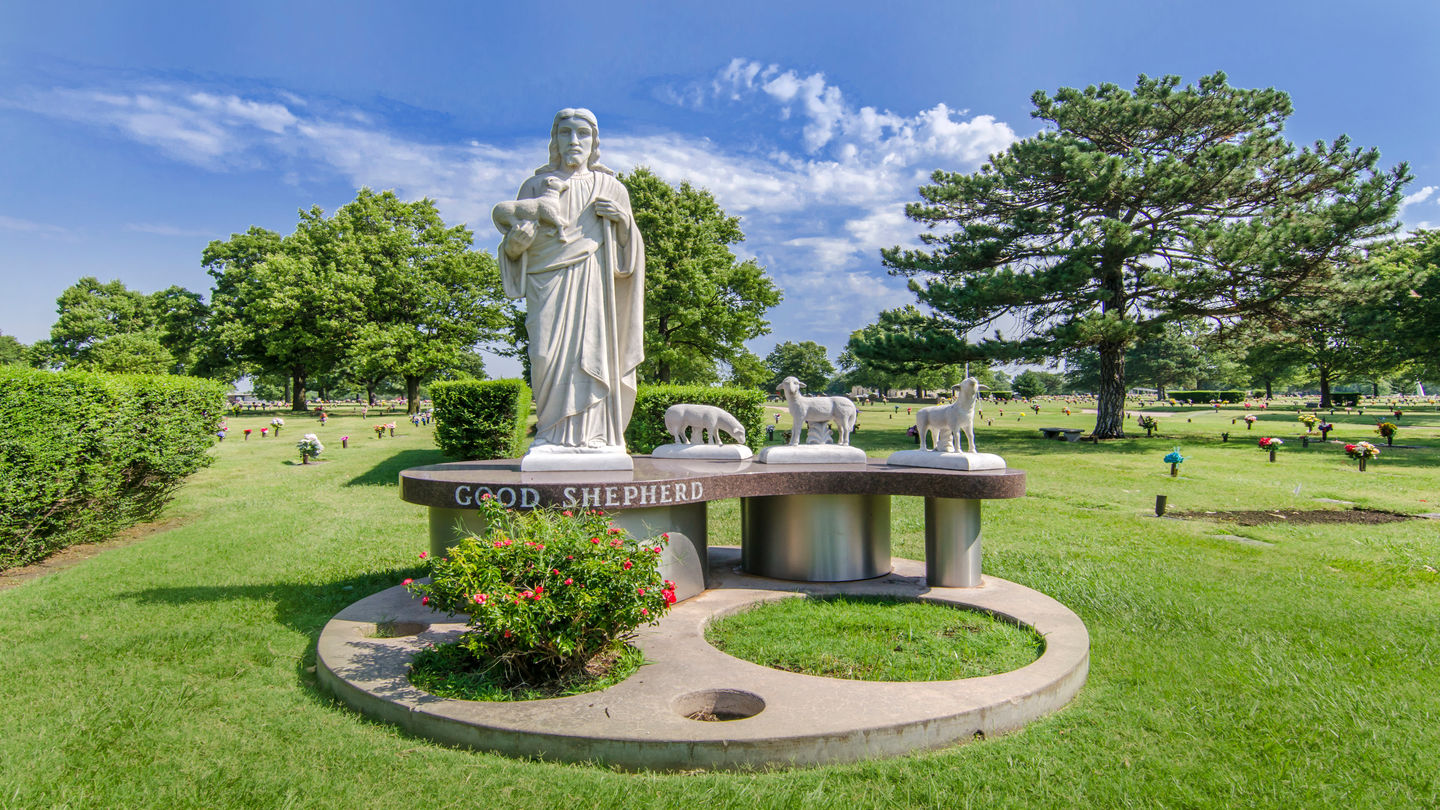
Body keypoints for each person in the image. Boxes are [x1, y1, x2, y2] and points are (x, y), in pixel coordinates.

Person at [497, 109, 645, 452]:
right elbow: (515, 240)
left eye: (583, 133)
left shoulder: (611, 187)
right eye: (566, 133)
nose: (574, 141)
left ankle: (597, 435)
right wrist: (514, 248)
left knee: (592, 355)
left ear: (594, 142)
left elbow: (630, 258)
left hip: (594, 284)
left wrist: (623, 223)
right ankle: (550, 433)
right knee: (546, 355)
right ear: (555, 140)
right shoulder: (534, 187)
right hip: (545, 284)